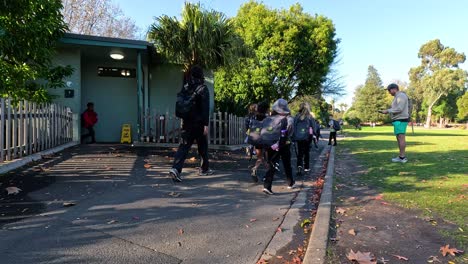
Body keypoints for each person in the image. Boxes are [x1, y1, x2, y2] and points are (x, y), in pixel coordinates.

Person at [169, 65, 213, 182]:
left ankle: (176, 169)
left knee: (184, 146)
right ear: (201, 75)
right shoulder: (203, 88)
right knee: (203, 146)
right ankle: (204, 169)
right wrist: (206, 125)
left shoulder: (186, 87)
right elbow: (205, 108)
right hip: (198, 124)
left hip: (187, 123)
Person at [262, 99, 294, 195]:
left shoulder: (268, 118)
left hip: (270, 144)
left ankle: (267, 186)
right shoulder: (288, 118)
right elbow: (290, 130)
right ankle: (290, 182)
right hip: (284, 143)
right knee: (287, 163)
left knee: (271, 163)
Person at [379, 83, 409, 163]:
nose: (389, 92)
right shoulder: (397, 97)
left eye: (389, 90)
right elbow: (396, 108)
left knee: (401, 138)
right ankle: (401, 156)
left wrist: (388, 111)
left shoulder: (401, 96)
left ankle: (402, 157)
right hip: (398, 120)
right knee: (399, 138)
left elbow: (399, 109)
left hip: (401, 120)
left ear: (394, 89)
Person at [292, 102, 316, 175]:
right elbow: (313, 127)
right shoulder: (309, 117)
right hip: (307, 137)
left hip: (298, 137)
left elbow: (293, 126)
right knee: (306, 152)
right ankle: (306, 167)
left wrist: (293, 137)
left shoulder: (296, 116)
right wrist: (314, 135)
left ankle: (299, 166)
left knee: (300, 152)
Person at [249, 102, 269, 182]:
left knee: (260, 158)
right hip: (265, 140)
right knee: (267, 159)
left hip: (256, 139)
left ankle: (255, 168)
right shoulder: (267, 118)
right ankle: (268, 175)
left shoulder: (254, 117)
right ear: (266, 109)